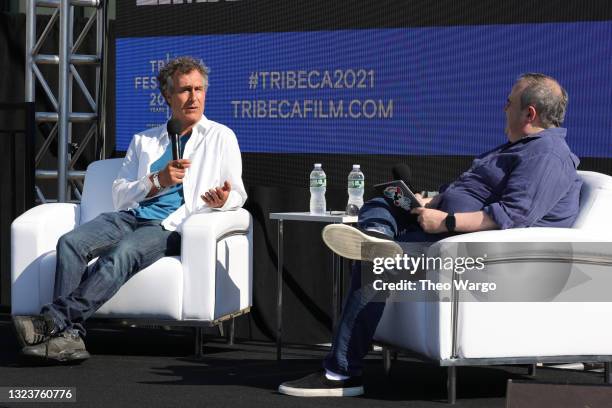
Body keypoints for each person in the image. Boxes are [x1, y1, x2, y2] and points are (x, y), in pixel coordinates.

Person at [278, 73, 582, 397]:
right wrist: (429, 202)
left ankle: (341, 374)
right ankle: (377, 237)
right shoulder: (520, 148)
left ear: (529, 113)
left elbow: (511, 216)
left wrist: (446, 221)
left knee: (373, 268)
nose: (503, 108)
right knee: (383, 202)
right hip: (439, 229)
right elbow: (478, 194)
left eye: (509, 102)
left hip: (468, 250)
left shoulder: (547, 156)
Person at [13, 56, 247, 363]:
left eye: (199, 89)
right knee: (70, 243)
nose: (193, 97)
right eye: (184, 90)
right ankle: (68, 338)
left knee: (120, 255)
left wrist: (223, 201)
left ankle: (54, 322)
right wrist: (157, 180)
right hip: (130, 216)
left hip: (170, 227)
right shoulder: (145, 141)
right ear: (167, 96)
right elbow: (121, 196)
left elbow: (238, 194)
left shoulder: (220, 137)